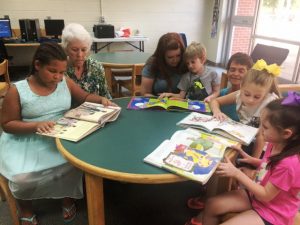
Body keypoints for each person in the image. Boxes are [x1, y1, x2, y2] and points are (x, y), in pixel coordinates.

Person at [0, 42, 115, 225]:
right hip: (26, 138)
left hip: (60, 133)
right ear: (37, 65)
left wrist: (100, 99)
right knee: (22, 177)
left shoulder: (64, 82)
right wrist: (36, 125)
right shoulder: (17, 90)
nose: (58, 77)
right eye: (53, 71)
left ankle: (67, 197)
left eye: (62, 72)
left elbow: (84, 97)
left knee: (74, 163)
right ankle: (26, 207)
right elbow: (7, 124)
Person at [186, 94, 300, 225]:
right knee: (212, 204)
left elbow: (266, 195)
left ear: (286, 133)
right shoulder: (276, 143)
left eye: (266, 127)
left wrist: (236, 173)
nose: (260, 130)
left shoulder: (289, 163)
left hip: (273, 212)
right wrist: (252, 159)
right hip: (256, 197)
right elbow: (270, 166)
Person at [209, 59, 281, 158]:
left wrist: (252, 165)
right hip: (244, 138)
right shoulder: (239, 94)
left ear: (265, 94)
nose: (250, 100)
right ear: (241, 86)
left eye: (257, 97)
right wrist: (217, 111)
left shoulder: (269, 103)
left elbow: (261, 137)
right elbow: (215, 101)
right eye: (247, 94)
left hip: (263, 150)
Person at [61, 23, 111, 99]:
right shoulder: (60, 70)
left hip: (97, 110)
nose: (80, 55)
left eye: (84, 50)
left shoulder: (96, 67)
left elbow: (105, 96)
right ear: (66, 49)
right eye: (74, 50)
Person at [141, 32, 187, 96]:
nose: (175, 60)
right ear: (162, 56)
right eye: (170, 57)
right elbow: (145, 93)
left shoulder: (187, 61)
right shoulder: (152, 63)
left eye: (178, 55)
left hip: (183, 102)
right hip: (158, 101)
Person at [220, 52, 253, 121]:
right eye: (232, 70)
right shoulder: (222, 93)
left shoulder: (251, 98)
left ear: (249, 74)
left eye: (241, 71)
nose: (236, 74)